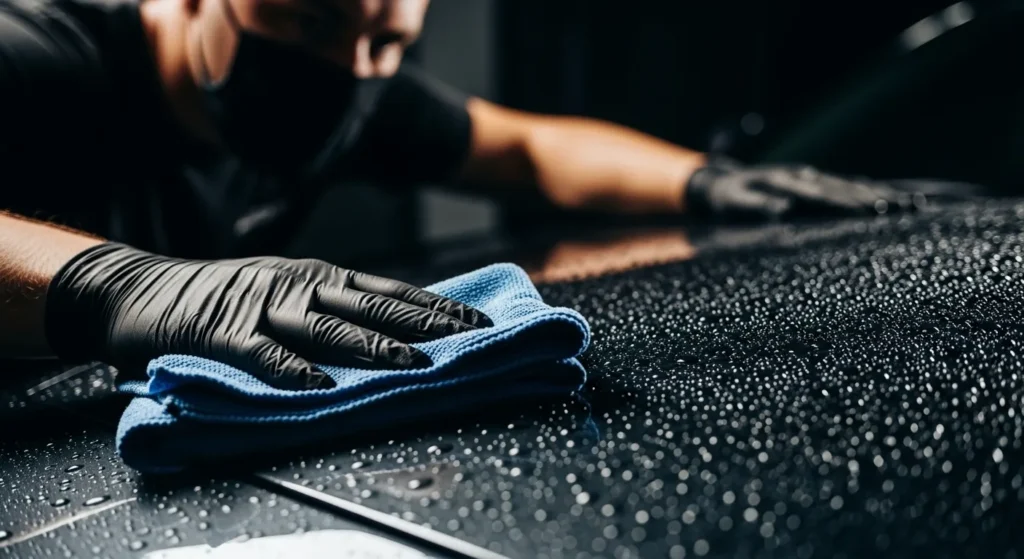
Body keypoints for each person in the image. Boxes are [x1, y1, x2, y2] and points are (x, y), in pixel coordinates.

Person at [0, 0, 927, 390]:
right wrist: (119, 286)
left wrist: (706, 178)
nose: (351, 70)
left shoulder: (350, 92)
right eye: (313, 20)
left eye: (386, 45)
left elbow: (529, 150)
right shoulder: (45, 57)